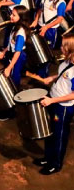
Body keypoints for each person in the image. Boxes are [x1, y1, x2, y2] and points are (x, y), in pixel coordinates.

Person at [35, 34, 74, 175]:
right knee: (49, 131)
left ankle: (55, 164)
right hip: (53, 99)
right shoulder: (66, 62)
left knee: (59, 135)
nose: (60, 47)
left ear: (71, 49)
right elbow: (63, 75)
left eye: (64, 46)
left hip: (63, 107)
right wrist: (51, 78)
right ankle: (47, 157)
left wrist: (52, 101)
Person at [31, 0, 65, 78]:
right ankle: (37, 73)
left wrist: (47, 27)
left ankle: (43, 75)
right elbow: (40, 10)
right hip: (40, 26)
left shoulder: (61, 2)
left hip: (50, 31)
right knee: (37, 50)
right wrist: (36, 20)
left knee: (46, 53)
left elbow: (60, 19)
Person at [0, 6, 30, 90]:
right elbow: (10, 45)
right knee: (10, 73)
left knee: (14, 74)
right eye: (12, 14)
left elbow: (17, 52)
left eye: (14, 15)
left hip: (18, 56)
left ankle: (15, 91)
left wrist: (9, 67)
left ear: (21, 18)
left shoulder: (20, 34)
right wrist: (3, 52)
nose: (11, 16)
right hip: (12, 53)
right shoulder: (15, 27)